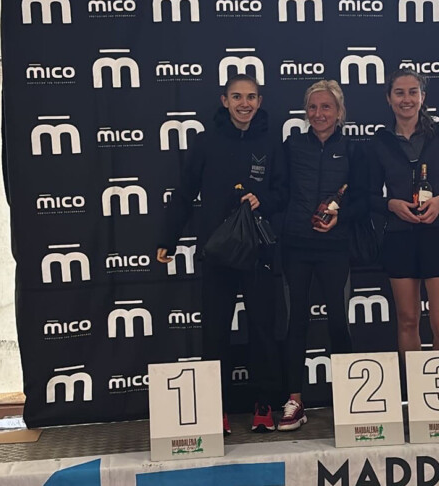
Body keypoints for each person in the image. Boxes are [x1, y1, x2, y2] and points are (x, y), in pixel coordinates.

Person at [157, 74, 287, 435]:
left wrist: (264, 199)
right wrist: (168, 238)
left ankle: (264, 404)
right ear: (224, 100)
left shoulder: (271, 142)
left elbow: (284, 193)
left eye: (251, 97)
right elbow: (184, 194)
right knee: (214, 332)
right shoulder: (205, 142)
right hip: (217, 252)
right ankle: (216, 408)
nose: (244, 104)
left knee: (263, 329)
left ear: (260, 101)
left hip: (258, 251)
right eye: (237, 97)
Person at [278, 80, 367, 431]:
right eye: (313, 107)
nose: (318, 114)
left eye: (326, 107)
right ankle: (294, 402)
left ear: (339, 111)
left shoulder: (353, 150)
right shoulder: (292, 146)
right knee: (295, 322)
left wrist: (340, 218)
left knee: (338, 323)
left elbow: (364, 200)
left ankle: (347, 399)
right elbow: (279, 191)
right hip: (296, 247)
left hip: (335, 248)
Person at [368, 69, 439, 361]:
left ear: (423, 97)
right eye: (399, 93)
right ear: (389, 98)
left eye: (413, 92)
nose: (406, 99)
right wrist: (392, 205)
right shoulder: (380, 142)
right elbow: (369, 196)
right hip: (399, 237)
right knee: (407, 321)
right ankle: (412, 388)